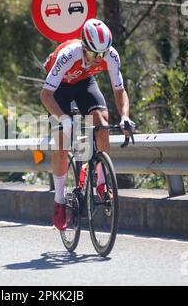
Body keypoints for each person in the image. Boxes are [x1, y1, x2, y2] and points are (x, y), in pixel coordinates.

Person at [40, 18, 135, 231]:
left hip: (84, 83)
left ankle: (101, 181)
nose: (97, 59)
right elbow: (45, 95)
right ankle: (59, 201)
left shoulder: (110, 55)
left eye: (101, 55)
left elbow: (119, 91)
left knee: (102, 123)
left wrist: (125, 117)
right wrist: (64, 120)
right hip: (58, 90)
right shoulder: (68, 55)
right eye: (93, 54)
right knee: (62, 143)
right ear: (83, 45)